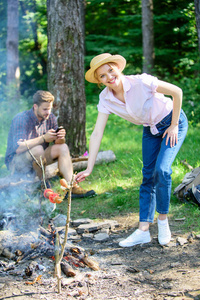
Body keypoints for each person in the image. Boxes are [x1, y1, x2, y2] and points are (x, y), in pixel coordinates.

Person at [75, 53, 188, 246]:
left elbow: (177, 92)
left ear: (118, 68)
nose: (109, 76)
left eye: (110, 70)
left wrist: (175, 124)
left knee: (162, 170)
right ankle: (143, 230)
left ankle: (162, 220)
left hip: (172, 121)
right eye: (103, 76)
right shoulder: (106, 99)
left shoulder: (141, 81)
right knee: (147, 176)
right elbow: (96, 133)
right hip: (150, 128)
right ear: (99, 81)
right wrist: (89, 168)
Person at [5, 90, 95, 199]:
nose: (48, 112)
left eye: (50, 108)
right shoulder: (22, 118)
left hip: (40, 160)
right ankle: (44, 187)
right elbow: (18, 148)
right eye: (45, 109)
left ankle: (72, 187)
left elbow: (58, 143)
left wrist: (61, 137)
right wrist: (43, 138)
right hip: (17, 162)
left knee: (62, 147)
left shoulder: (50, 117)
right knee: (38, 149)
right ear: (35, 107)